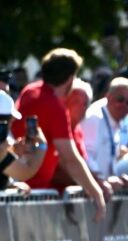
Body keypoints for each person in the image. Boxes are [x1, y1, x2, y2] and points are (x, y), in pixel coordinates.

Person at [11, 48, 105, 220]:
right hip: (32, 196)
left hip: (20, 191)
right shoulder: (55, 107)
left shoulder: (30, 91)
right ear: (70, 78)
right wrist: (97, 194)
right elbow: (70, 158)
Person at [81, 77, 128, 190]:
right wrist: (101, 179)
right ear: (108, 96)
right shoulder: (94, 117)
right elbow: (85, 155)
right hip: (89, 189)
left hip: (103, 188)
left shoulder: (120, 121)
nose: (123, 105)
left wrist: (117, 177)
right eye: (120, 99)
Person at [0, 90, 45, 192]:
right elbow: (26, 171)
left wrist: (9, 185)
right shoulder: (2, 147)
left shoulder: (4, 146)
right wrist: (42, 145)